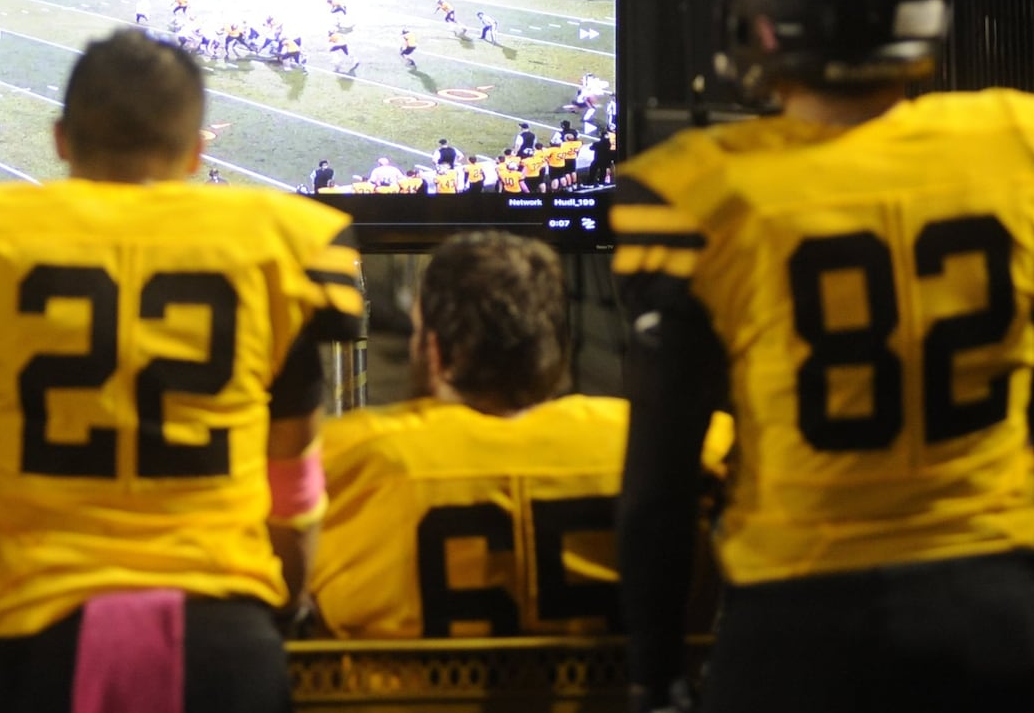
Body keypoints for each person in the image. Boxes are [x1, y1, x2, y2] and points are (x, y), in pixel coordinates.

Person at [612, 0, 1034, 713]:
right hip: (994, 609)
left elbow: (660, 487)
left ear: (762, 16)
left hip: (798, 632)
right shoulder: (1031, 147)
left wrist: (655, 680)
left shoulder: (701, 191)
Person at [0, 29, 365, 713]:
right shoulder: (278, 248)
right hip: (223, 636)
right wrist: (286, 604)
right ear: (199, 151)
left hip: (48, 634)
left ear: (61, 140)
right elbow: (294, 487)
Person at [309, 232, 729, 639]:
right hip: (614, 708)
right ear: (555, 347)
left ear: (435, 350)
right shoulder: (666, 446)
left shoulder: (343, 455)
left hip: (403, 706)